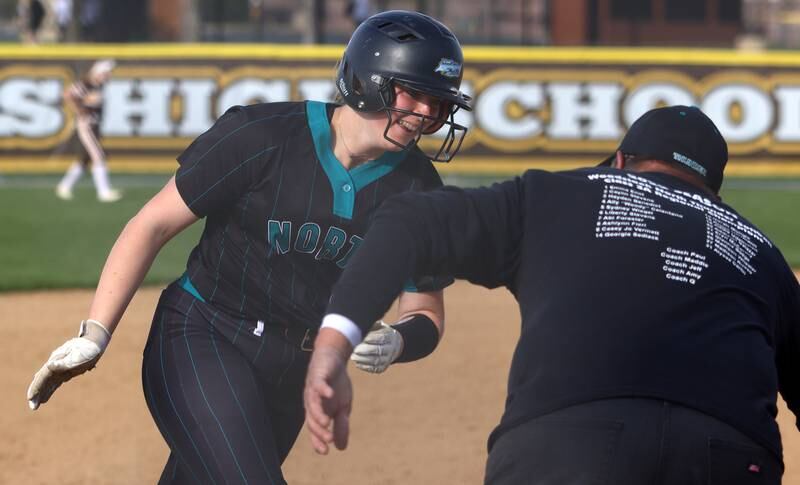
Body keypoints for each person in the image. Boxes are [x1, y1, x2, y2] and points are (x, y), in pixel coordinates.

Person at [27, 10, 471, 484]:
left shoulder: (420, 191)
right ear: (369, 79)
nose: (428, 113)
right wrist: (95, 333)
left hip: (293, 375)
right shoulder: (264, 136)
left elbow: (426, 310)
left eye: (439, 103)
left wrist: (400, 340)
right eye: (414, 93)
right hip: (204, 338)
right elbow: (151, 225)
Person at [304, 105, 800, 484]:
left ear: (622, 161)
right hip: (732, 455)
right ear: (712, 194)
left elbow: (410, 220)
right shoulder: (761, 251)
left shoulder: (556, 193)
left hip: (570, 441)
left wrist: (335, 343)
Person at [56, 59, 122, 202]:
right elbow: (67, 95)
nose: (108, 75)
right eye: (106, 72)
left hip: (95, 125)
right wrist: (80, 108)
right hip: (87, 125)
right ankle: (103, 192)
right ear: (98, 72)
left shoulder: (99, 85)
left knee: (85, 160)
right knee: (98, 156)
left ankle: (64, 186)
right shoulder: (87, 84)